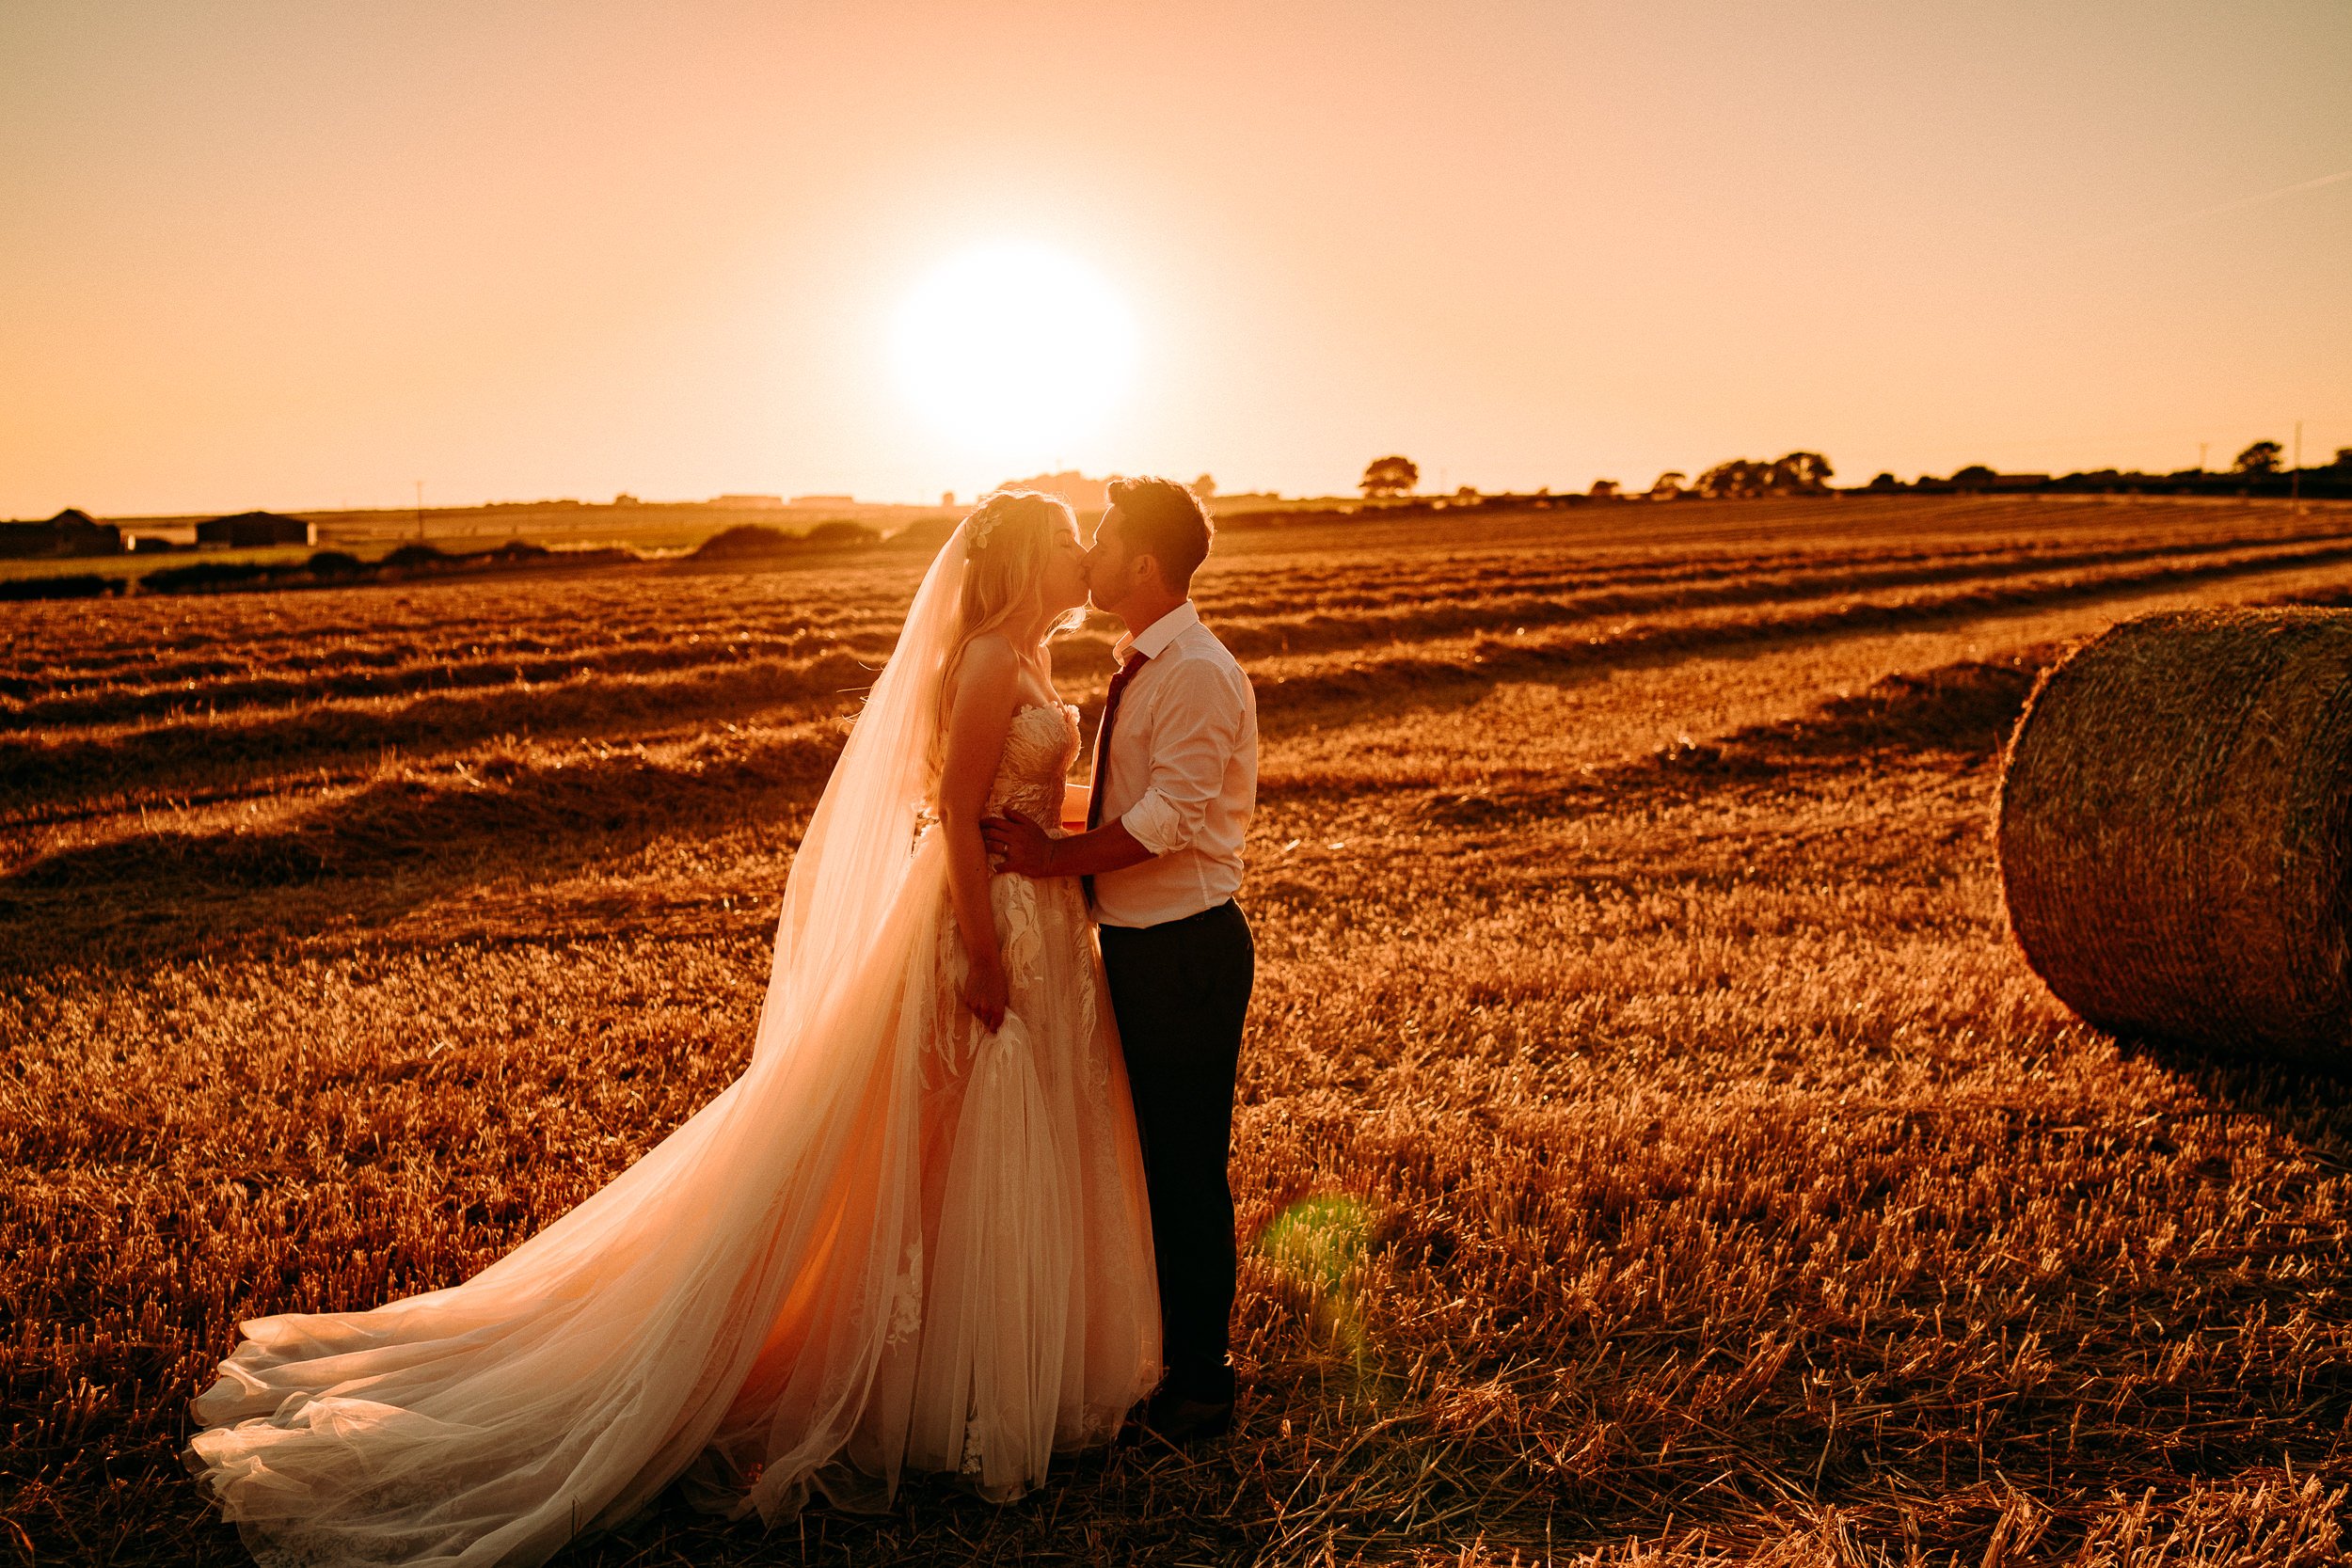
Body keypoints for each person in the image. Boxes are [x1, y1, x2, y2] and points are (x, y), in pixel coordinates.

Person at [184, 491, 1160, 1567]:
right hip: (983, 928)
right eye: (1070, 544)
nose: (1084, 560)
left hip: (1040, 921)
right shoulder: (985, 661)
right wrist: (982, 949)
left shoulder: (1025, 658)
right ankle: (927, 1389)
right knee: (940, 1139)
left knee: (970, 1148)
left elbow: (1014, 808)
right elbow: (959, 810)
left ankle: (968, 1372)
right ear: (1027, 559)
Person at [984, 475, 1258, 1444]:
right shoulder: (1145, 660)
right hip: (1142, 947)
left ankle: (1203, 1380)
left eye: (1101, 540)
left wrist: (1058, 858)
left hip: (1183, 949)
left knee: (1184, 1165)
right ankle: (1177, 1358)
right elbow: (1124, 798)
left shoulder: (1192, 671)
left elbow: (1169, 818)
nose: (1090, 556)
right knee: (1155, 1159)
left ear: (1144, 562)